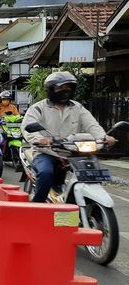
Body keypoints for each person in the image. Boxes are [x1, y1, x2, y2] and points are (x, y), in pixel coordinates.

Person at [22, 71, 115, 203]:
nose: (64, 90)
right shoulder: (38, 108)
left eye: (68, 87)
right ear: (51, 89)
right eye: (60, 87)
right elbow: (28, 127)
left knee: (93, 172)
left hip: (73, 152)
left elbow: (92, 125)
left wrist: (104, 137)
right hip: (46, 151)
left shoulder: (78, 108)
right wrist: (39, 139)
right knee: (45, 173)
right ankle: (37, 207)